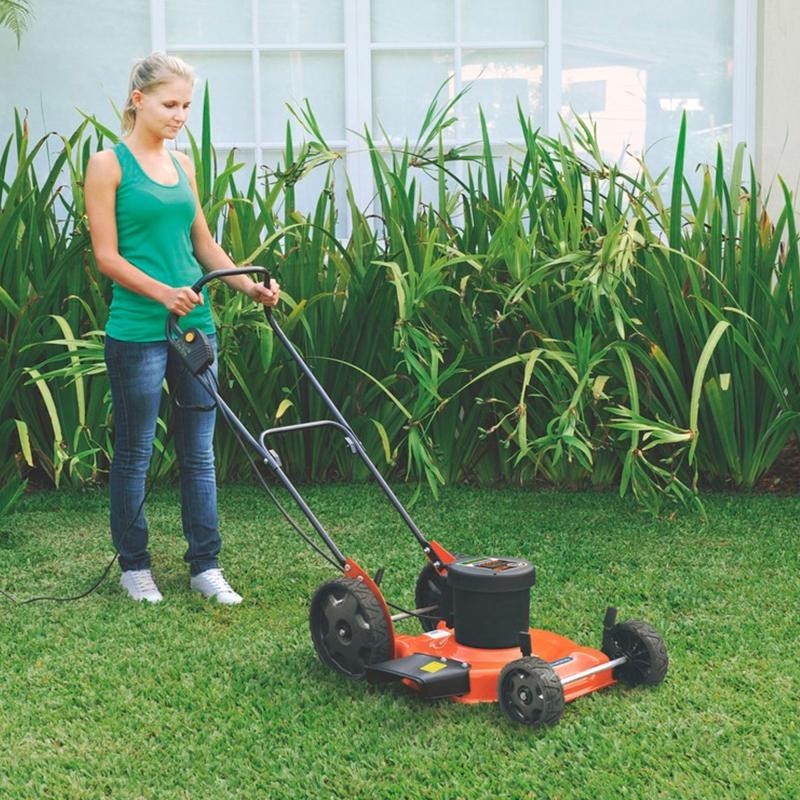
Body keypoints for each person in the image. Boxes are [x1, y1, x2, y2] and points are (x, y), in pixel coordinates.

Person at [84, 52, 280, 605]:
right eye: (170, 104)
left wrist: (248, 286)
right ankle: (134, 567)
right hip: (137, 331)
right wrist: (162, 292)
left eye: (187, 106)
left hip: (195, 325)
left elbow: (203, 244)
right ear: (138, 100)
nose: (180, 115)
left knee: (199, 452)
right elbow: (107, 257)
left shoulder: (184, 165)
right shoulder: (108, 165)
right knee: (135, 453)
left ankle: (205, 566)